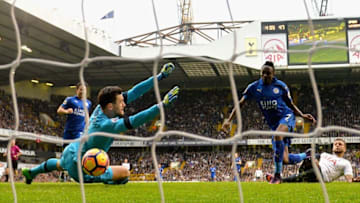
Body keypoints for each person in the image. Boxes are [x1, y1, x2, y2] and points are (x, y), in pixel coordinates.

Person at [22, 63, 178, 185]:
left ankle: (32, 172)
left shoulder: (99, 108)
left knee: (59, 164)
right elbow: (136, 120)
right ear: (111, 106)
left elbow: (135, 91)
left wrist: (160, 77)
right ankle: (101, 179)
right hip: (83, 168)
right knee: (124, 174)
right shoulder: (108, 125)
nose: (125, 104)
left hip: (70, 152)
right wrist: (161, 106)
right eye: (121, 102)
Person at [222, 61, 316, 184]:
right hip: (275, 125)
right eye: (263, 73)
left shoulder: (281, 86)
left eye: (268, 73)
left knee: (278, 135)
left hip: (287, 117)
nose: (266, 75)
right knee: (285, 159)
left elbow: (290, 104)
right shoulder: (254, 87)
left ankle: (277, 175)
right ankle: (307, 155)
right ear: (261, 74)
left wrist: (302, 115)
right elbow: (240, 104)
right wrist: (229, 120)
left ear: (273, 74)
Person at [266, 138, 360, 183]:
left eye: (340, 144)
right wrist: (314, 161)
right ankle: (286, 159)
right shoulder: (324, 154)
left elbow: (349, 180)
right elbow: (314, 158)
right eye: (335, 144)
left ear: (345, 149)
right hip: (311, 170)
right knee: (310, 152)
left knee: (310, 167)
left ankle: (280, 180)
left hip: (322, 176)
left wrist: (355, 180)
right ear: (332, 147)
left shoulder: (345, 163)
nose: (337, 145)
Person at [57, 82, 92, 181]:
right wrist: (66, 111)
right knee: (65, 152)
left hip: (80, 132)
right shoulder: (70, 100)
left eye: (84, 90)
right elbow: (59, 110)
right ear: (77, 90)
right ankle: (63, 173)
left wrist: (88, 127)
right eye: (81, 89)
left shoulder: (88, 103)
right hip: (69, 131)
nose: (82, 91)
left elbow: (86, 115)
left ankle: (75, 174)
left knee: (77, 152)